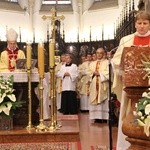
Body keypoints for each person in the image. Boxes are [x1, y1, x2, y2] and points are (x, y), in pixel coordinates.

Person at [112, 11, 150, 150]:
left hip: (149, 85)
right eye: (139, 23)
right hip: (132, 85)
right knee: (130, 114)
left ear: (149, 24)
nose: (141, 26)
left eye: (145, 23)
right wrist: (121, 70)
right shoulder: (126, 40)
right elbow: (116, 60)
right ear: (135, 24)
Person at [88, 48, 109, 122]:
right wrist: (92, 73)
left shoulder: (107, 63)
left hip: (102, 84)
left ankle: (104, 117)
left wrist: (99, 73)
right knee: (94, 98)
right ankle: (96, 118)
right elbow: (88, 72)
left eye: (100, 53)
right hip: (94, 84)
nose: (99, 54)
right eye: (97, 53)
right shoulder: (92, 63)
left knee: (103, 100)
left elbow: (109, 73)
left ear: (103, 54)